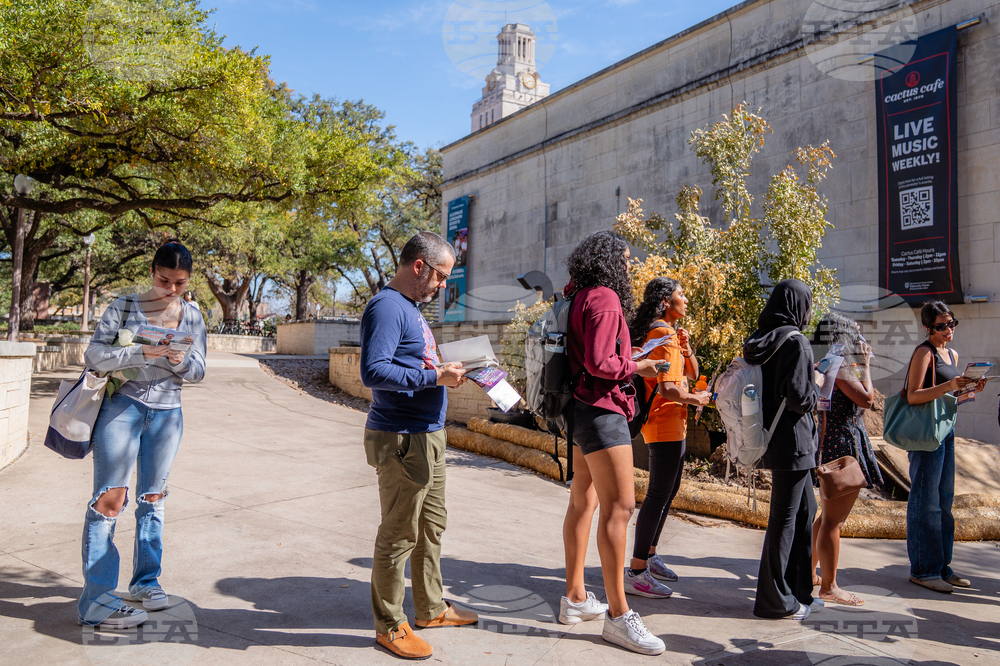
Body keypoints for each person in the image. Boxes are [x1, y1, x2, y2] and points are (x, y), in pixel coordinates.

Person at [360, 231, 478, 660]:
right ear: (419, 267)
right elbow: (373, 371)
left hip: (426, 433)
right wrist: (435, 377)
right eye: (441, 276)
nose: (444, 284)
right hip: (402, 438)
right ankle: (390, 625)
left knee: (431, 526)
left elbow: (411, 360)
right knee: (398, 534)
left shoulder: (410, 308)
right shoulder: (388, 307)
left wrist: (446, 368)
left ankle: (429, 608)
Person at [77, 240, 207, 630]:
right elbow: (94, 355)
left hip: (168, 414)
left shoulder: (194, 315)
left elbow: (200, 370)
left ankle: (145, 583)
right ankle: (96, 600)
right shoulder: (124, 307)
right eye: (165, 280)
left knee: (153, 498)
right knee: (110, 499)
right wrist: (139, 354)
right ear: (152, 271)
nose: (171, 289)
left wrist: (180, 359)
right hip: (123, 408)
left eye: (180, 283)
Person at [558, 230, 664, 655]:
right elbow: (603, 363)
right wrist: (639, 364)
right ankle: (619, 617)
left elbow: (593, 354)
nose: (628, 264)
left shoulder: (578, 295)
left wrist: (628, 354)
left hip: (581, 409)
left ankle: (576, 598)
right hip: (603, 412)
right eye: (624, 257)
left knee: (583, 503)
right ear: (607, 261)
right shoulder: (604, 297)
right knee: (620, 507)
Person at [625, 277, 710, 599]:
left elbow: (689, 373)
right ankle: (637, 570)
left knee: (668, 491)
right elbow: (668, 388)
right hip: (663, 423)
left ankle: (650, 553)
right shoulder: (661, 332)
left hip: (673, 423)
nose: (685, 299)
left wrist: (687, 349)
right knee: (659, 494)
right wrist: (698, 399)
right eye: (680, 294)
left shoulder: (671, 334)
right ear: (665, 301)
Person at [746, 279, 820, 621]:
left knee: (806, 510)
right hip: (795, 442)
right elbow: (801, 399)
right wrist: (816, 383)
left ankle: (798, 591)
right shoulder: (797, 342)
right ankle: (774, 600)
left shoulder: (759, 339)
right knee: (785, 520)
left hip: (771, 437)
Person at [903, 301, 984, 593]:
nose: (948, 329)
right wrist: (950, 387)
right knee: (925, 502)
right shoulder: (924, 352)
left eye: (951, 323)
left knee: (944, 502)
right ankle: (923, 570)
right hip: (926, 434)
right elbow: (913, 396)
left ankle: (942, 566)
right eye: (941, 326)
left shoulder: (952, 353)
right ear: (928, 328)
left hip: (946, 429)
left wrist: (969, 389)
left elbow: (951, 398)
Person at [809, 313, 880, 606]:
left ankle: (810, 571)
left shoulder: (825, 362)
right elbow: (867, 399)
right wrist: (865, 364)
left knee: (826, 516)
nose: (861, 340)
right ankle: (830, 586)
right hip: (843, 446)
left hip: (834, 442)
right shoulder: (841, 368)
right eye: (856, 334)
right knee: (833, 521)